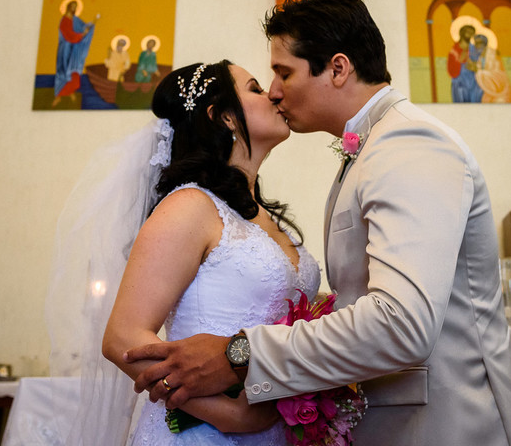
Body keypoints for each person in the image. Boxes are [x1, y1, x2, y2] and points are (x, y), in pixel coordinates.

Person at [126, 0, 511, 446]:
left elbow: (402, 322)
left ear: (339, 68)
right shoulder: (367, 152)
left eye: (284, 72)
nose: (275, 91)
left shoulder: (408, 145)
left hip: (451, 424)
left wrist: (239, 353)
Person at [45, 60, 319, 445]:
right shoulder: (190, 206)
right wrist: (230, 415)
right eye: (255, 88)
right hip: (203, 434)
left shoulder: (268, 220)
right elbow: (122, 338)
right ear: (223, 116)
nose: (274, 94)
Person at [53, 0, 98, 106]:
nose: (74, 9)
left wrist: (91, 25)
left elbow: (83, 26)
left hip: (74, 50)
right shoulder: (64, 20)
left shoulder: (75, 19)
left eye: (76, 7)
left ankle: (70, 92)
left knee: (74, 72)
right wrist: (82, 35)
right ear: (68, 7)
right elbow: (69, 36)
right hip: (65, 50)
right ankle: (58, 95)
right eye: (72, 6)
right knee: (63, 72)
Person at [472, 34, 511, 104]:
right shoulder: (480, 57)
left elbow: (497, 76)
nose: (477, 46)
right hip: (488, 92)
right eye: (476, 43)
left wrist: (478, 71)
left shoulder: (493, 55)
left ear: (485, 44)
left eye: (480, 43)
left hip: (499, 93)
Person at [447, 24, 480, 103]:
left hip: (473, 84)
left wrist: (475, 67)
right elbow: (451, 71)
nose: (470, 35)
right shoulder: (454, 51)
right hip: (459, 85)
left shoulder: (474, 49)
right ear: (462, 33)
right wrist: (460, 61)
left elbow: (480, 65)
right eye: (468, 32)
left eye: (472, 33)